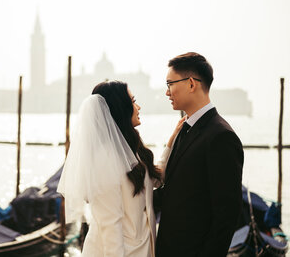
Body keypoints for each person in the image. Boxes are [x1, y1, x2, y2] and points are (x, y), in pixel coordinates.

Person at [57, 80, 182, 257]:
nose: (138, 107)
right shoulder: (103, 161)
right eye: (132, 101)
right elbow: (110, 227)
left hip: (143, 249)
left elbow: (155, 180)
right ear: (120, 108)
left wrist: (171, 143)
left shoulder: (132, 150)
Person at [154, 52, 244, 257]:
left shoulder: (221, 136)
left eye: (170, 84)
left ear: (191, 84)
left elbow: (227, 214)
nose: (167, 92)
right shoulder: (185, 129)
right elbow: (174, 193)